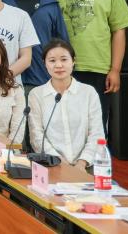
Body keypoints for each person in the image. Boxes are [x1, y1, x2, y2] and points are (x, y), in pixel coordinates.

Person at [44, 0, 128, 130]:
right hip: (61, 67)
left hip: (98, 68)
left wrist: (115, 70)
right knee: (60, 125)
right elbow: (44, 30)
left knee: (95, 126)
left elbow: (119, 30)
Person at [28, 39, 104, 169]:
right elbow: (36, 136)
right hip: (52, 166)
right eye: (52, 60)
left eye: (64, 59)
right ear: (44, 63)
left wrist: (82, 163)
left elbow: (97, 133)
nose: (58, 65)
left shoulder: (88, 92)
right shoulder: (36, 94)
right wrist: (59, 162)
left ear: (73, 61)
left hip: (86, 166)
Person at [3, 0, 69, 93]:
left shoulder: (50, 4)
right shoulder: (1, 2)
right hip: (4, 79)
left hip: (43, 79)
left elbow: (62, 44)